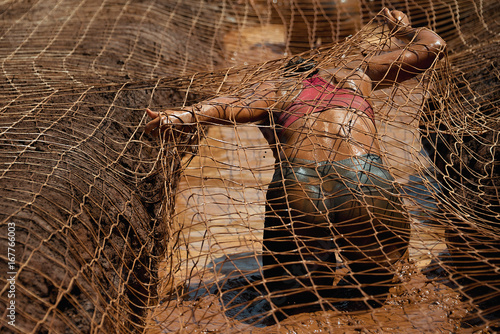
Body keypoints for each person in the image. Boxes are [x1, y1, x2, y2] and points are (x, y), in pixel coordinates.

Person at [145, 8, 446, 315]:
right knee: (376, 286)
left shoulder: (276, 89)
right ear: (319, 70)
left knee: (293, 294)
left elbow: (224, 107)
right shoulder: (355, 74)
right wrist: (403, 29)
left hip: (298, 184)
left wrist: (176, 116)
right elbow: (432, 46)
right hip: (366, 175)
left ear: (287, 73)